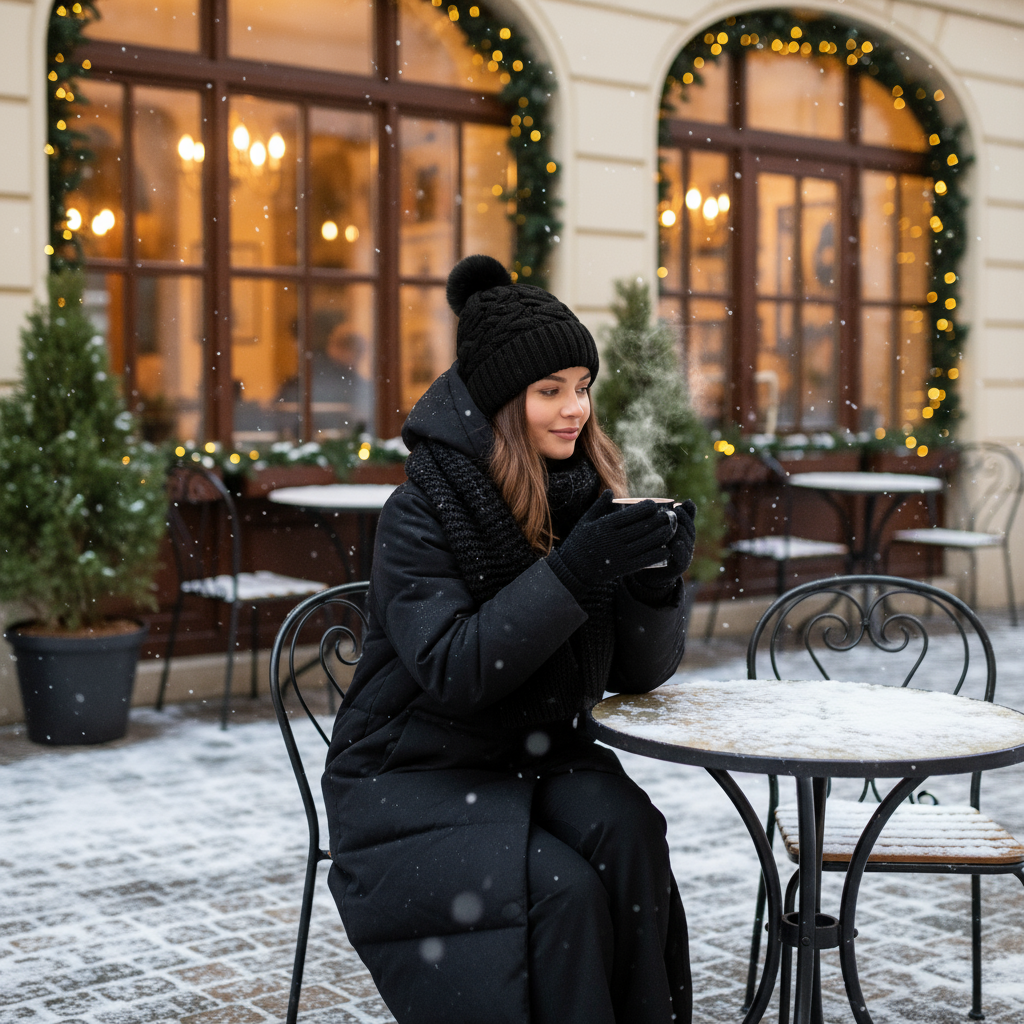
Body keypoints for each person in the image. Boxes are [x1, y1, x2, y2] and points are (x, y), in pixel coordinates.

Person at [322, 254, 697, 1024]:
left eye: (582, 388)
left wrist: (655, 587)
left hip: (535, 754)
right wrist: (575, 571)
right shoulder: (422, 509)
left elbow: (636, 674)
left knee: (632, 837)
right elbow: (457, 669)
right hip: (411, 773)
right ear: (499, 401)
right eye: (550, 391)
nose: (576, 410)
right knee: (563, 898)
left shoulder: (582, 490)